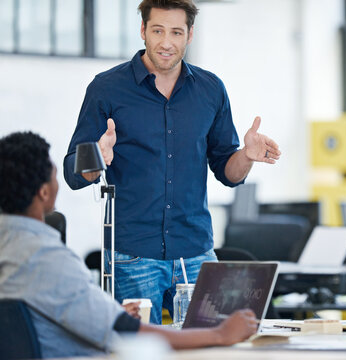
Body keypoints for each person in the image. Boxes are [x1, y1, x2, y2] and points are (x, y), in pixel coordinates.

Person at [63, 0, 281, 324]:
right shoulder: (106, 88)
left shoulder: (210, 90)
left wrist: (245, 156)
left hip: (195, 253)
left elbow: (228, 172)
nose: (166, 42)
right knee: (140, 350)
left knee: (211, 347)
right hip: (132, 256)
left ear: (189, 34)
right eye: (158, 30)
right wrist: (98, 156)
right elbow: (73, 171)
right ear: (143, 31)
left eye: (176, 32)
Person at [0, 131, 258, 358]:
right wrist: (221, 334)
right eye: (54, 175)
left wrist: (108, 311)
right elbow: (128, 332)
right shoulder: (47, 257)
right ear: (44, 192)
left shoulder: (11, 249)